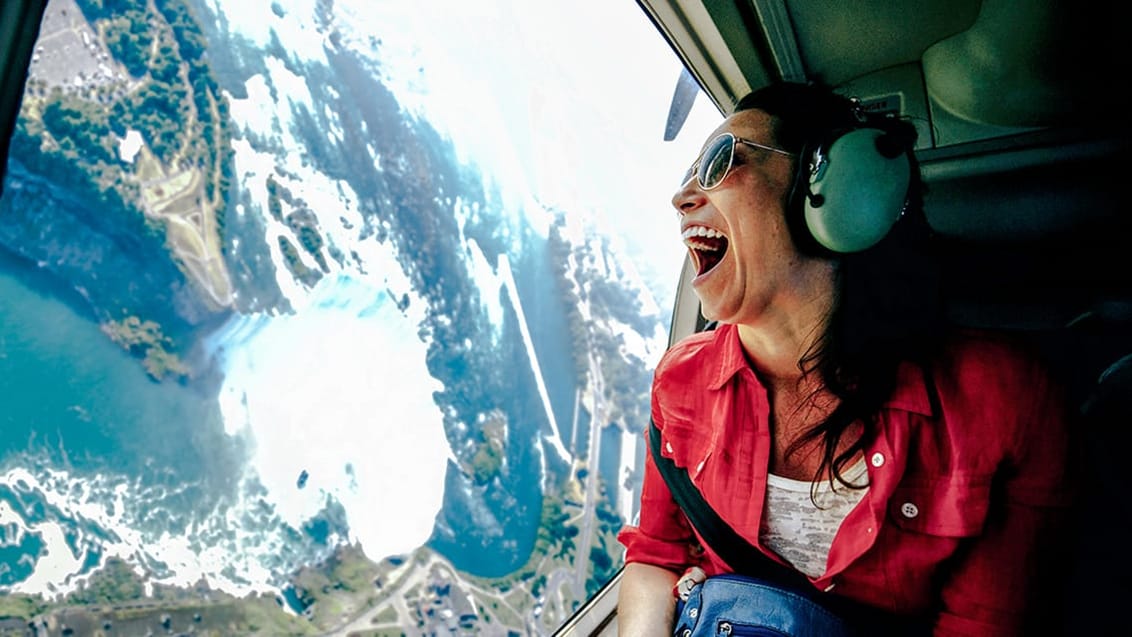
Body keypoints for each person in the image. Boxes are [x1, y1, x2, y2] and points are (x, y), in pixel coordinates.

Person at [616, 81, 1074, 636]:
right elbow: (657, 554)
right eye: (688, 174)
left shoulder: (1003, 402)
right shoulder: (678, 381)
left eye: (719, 162)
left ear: (839, 187)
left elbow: (979, 624)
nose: (682, 197)